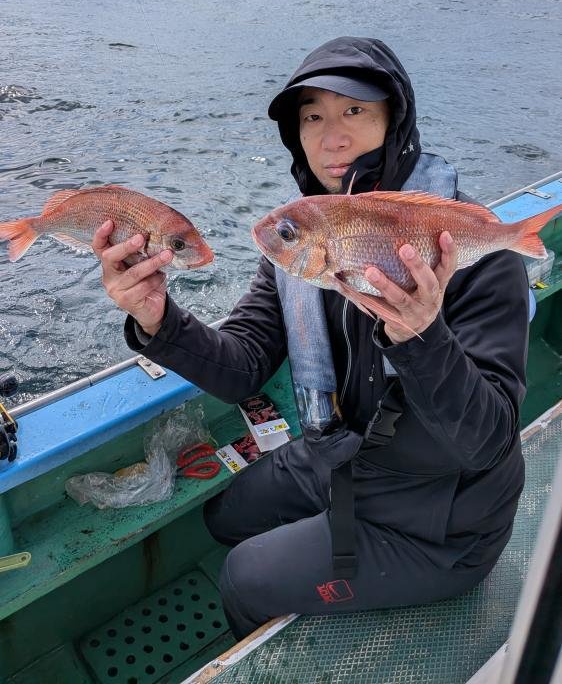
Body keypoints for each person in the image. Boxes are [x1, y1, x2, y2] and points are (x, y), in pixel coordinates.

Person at [93, 36, 529, 641]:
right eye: (313, 117)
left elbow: (488, 442)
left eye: (355, 111)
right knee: (223, 517)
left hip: (439, 516)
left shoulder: (468, 248)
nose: (332, 138)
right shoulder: (301, 239)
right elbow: (244, 364)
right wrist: (157, 319)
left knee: (243, 578)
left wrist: (423, 337)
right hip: (341, 455)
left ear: (395, 123)